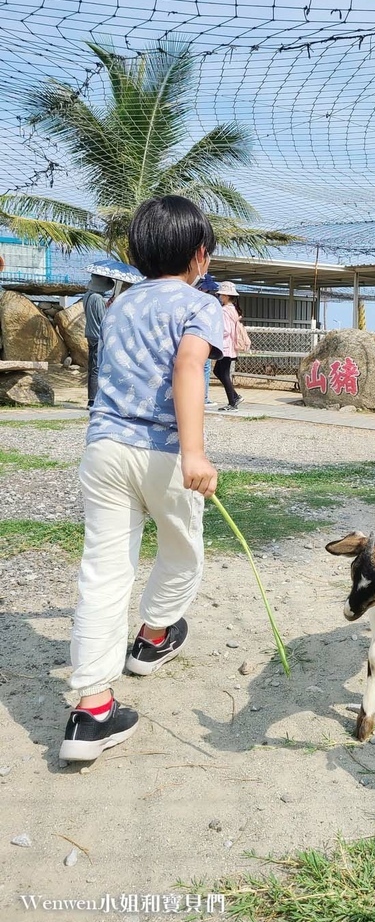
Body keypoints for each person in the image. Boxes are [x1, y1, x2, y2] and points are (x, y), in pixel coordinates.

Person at [59, 196, 224, 762]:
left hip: (103, 449)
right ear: (200, 255)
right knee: (182, 552)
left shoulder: (122, 303)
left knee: (104, 571)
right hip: (164, 454)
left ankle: (92, 710)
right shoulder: (201, 305)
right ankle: (153, 639)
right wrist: (195, 453)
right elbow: (187, 368)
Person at [82, 274, 114, 407]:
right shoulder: (98, 298)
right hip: (97, 336)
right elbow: (103, 319)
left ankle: (92, 398)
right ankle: (93, 400)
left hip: (89, 334)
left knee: (92, 367)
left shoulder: (87, 296)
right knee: (97, 367)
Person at [213, 281, 244, 411]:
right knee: (218, 371)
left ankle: (232, 402)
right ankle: (235, 397)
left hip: (225, 346)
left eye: (221, 295)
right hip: (230, 346)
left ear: (226, 295)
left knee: (223, 373)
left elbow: (225, 330)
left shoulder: (224, 310)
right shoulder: (234, 310)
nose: (220, 297)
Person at [196, 272, 220, 409]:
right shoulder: (206, 301)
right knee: (203, 367)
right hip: (203, 338)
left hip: (201, 337)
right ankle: (202, 397)